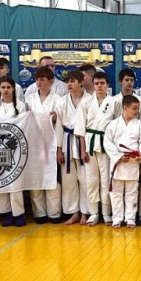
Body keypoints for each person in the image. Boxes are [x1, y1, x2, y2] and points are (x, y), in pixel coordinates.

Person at [104, 95, 141, 228]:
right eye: (134, 108)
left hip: (132, 162)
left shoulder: (140, 125)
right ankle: (117, 218)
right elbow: (107, 143)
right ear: (125, 108)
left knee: (132, 192)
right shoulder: (113, 124)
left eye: (138, 108)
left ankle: (130, 218)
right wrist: (118, 156)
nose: (137, 111)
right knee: (116, 193)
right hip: (118, 163)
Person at [0, 77, 29, 227]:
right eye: (3, 87)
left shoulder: (21, 105)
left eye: (8, 87)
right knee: (0, 180)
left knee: (14, 182)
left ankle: (19, 213)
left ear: (13, 89)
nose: (5, 90)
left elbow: (23, 125)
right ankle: (7, 214)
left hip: (15, 147)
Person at [24, 67, 62, 224]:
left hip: (51, 143)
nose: (39, 83)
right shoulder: (29, 99)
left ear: (50, 81)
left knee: (52, 177)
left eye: (42, 79)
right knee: (36, 177)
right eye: (37, 80)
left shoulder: (58, 99)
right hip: (34, 144)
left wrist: (55, 118)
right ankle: (39, 212)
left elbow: (60, 124)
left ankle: (54, 212)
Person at [56, 70, 91, 225]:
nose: (69, 84)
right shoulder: (62, 102)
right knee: (68, 181)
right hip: (67, 141)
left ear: (81, 82)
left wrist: (86, 148)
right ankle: (74, 212)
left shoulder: (90, 100)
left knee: (85, 180)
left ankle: (85, 212)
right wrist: (58, 149)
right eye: (67, 81)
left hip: (84, 143)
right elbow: (58, 126)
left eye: (73, 81)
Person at [84, 72, 117, 225]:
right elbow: (80, 128)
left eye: (102, 83)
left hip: (106, 144)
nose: (99, 86)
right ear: (93, 85)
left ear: (107, 85)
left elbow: (118, 126)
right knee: (91, 180)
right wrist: (82, 149)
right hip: (90, 143)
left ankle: (106, 213)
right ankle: (93, 213)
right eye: (96, 83)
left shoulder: (114, 102)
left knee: (106, 180)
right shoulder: (86, 102)